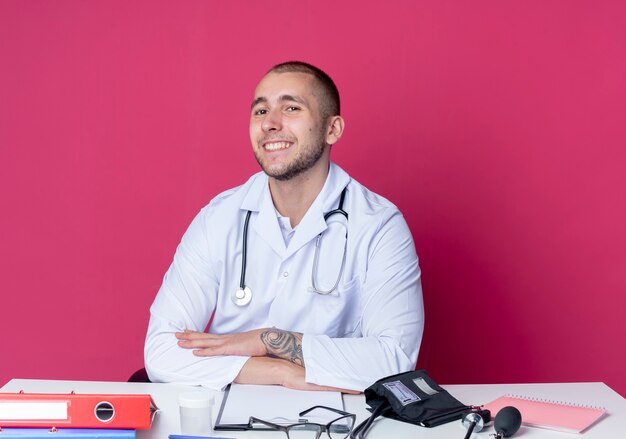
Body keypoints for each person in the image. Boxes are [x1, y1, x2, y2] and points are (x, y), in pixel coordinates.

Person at [144, 61, 424, 392]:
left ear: (332, 129)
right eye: (260, 111)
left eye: (291, 108)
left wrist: (269, 341)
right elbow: (160, 352)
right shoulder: (217, 218)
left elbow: (394, 359)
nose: (270, 124)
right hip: (230, 415)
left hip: (332, 419)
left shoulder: (379, 225)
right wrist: (280, 372)